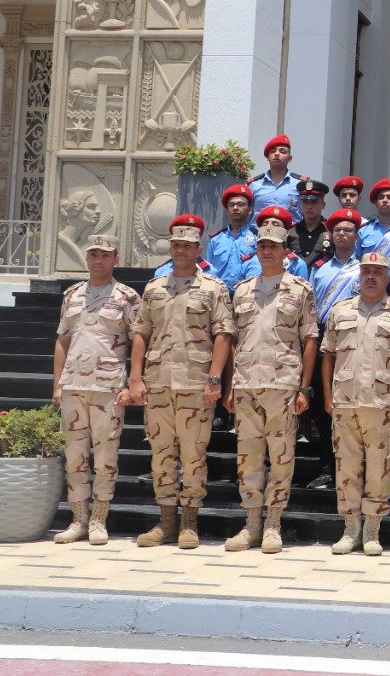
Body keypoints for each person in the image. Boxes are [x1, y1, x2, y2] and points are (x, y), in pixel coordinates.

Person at [128, 214, 235, 549]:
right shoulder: (153, 288)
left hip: (195, 382)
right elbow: (141, 333)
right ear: (170, 248)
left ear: (198, 249)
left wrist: (215, 378)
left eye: (188, 245)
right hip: (158, 381)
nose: (181, 250)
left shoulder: (213, 288)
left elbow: (223, 334)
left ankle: (189, 520)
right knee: (161, 453)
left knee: (193, 454)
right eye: (176, 244)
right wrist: (135, 378)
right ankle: (165, 521)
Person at [223, 223, 317, 553]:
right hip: (246, 383)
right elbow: (233, 340)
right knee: (247, 458)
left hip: (283, 384)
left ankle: (273, 523)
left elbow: (309, 339)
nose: (267, 251)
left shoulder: (300, 290)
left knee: (281, 457)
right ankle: (251, 524)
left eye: (273, 246)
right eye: (262, 245)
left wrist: (304, 389)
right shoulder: (242, 290)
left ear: (285, 251)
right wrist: (230, 385)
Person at [321, 252, 390, 556]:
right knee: (346, 466)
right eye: (366, 270)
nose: (371, 276)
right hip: (345, 402)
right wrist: (327, 397)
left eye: (378, 272)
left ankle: (372, 529)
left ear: (388, 277)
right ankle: (350, 527)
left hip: (383, 404)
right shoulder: (340, 310)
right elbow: (328, 355)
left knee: (380, 468)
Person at [51, 234, 141, 546]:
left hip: (108, 387)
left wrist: (133, 382)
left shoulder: (127, 297)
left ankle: (99, 519)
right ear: (87, 258)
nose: (98, 260)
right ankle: (78, 519)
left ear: (115, 258)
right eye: (93, 254)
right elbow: (62, 339)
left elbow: (139, 340)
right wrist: (57, 384)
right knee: (74, 456)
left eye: (104, 254)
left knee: (105, 458)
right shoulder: (72, 294)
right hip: (74, 385)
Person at [306, 208, 364, 489]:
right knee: (324, 406)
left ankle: (357, 468)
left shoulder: (364, 268)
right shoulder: (319, 268)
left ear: (356, 236)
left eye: (348, 230)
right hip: (324, 342)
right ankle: (328, 466)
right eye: (338, 230)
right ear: (330, 235)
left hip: (356, 341)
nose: (342, 234)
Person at [204, 184, 258, 290]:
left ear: (249, 210)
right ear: (226, 210)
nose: (235, 208)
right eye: (231, 205)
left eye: (240, 204)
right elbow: (209, 271)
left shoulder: (258, 238)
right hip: (220, 293)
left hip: (248, 293)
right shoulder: (215, 240)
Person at [249, 134, 307, 223]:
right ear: (267, 157)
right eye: (273, 151)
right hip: (259, 231)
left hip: (290, 231)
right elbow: (246, 215)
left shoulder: (300, 184)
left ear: (290, 158)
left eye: (282, 151)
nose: (276, 154)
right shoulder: (254, 184)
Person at [357, 178, 390, 263]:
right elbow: (356, 260)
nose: (385, 200)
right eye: (381, 197)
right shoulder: (363, 231)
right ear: (376, 203)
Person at [291, 180, 331, 264]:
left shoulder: (331, 231)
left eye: (314, 202)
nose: (309, 206)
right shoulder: (291, 232)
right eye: (305, 202)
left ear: (323, 205)